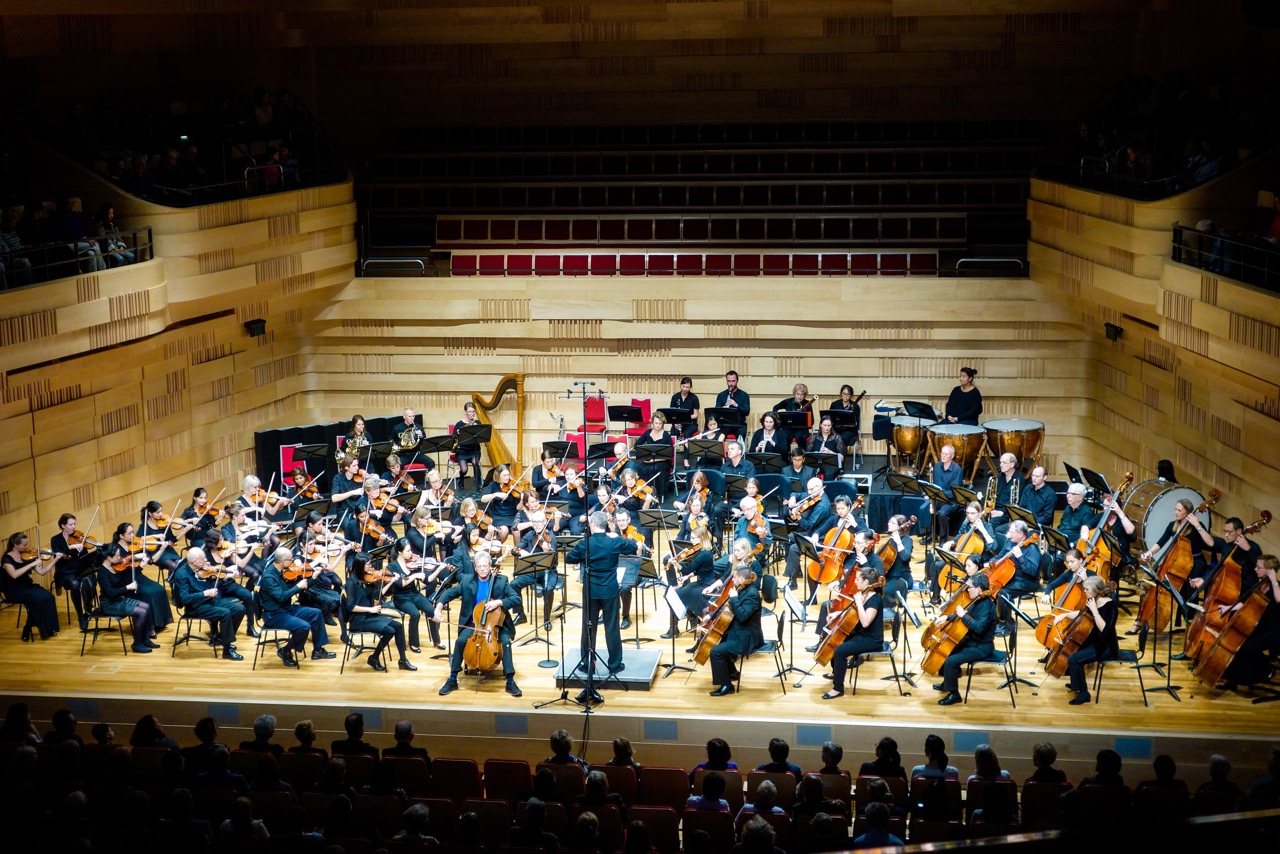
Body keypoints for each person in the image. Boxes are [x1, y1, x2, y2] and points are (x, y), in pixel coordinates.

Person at [435, 549, 522, 697]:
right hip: (474, 623)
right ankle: (452, 679)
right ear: (475, 567)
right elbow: (449, 593)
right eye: (479, 566)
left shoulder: (501, 581)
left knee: (505, 642)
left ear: (490, 566)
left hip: (496, 625)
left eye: (485, 566)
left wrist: (499, 602)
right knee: (461, 641)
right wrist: (438, 607)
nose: (482, 569)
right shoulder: (467, 580)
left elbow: (516, 599)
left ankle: (510, 680)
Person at [566, 511, 640, 686]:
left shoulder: (585, 544)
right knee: (612, 627)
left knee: (588, 627)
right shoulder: (614, 542)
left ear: (591, 524)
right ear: (605, 525)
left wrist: (584, 560)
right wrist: (615, 536)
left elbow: (569, 559)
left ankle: (587, 664)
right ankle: (614, 664)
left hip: (590, 591)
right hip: (610, 590)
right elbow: (634, 547)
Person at [258, 546, 335, 667]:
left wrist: (312, 577)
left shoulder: (283, 572)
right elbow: (281, 597)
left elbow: (297, 589)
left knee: (316, 613)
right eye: (291, 559)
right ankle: (285, 651)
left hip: (287, 609)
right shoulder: (269, 578)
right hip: (274, 614)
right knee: (303, 627)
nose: (293, 561)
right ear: (283, 562)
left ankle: (318, 650)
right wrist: (297, 587)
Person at [1215, 554, 1280, 689]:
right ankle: (1230, 680)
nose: (1255, 569)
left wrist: (1274, 580)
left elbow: (1279, 600)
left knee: (1247, 648)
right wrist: (1229, 608)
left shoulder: (1277, 588)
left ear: (1269, 571)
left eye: (1259, 567)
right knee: (1235, 642)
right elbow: (1246, 603)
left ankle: (1267, 668)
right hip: (1257, 625)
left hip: (1273, 630)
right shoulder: (1259, 585)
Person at [931, 572, 997, 705]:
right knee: (946, 649)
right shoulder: (975, 600)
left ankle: (954, 694)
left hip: (982, 646)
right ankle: (947, 684)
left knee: (951, 661)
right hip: (972, 641)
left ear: (979, 589)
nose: (967, 589)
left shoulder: (987, 606)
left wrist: (963, 616)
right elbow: (963, 614)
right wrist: (947, 617)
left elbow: (979, 627)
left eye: (970, 587)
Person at [820, 566, 884, 700]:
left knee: (840, 651)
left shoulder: (875, 600)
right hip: (861, 632)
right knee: (835, 637)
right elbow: (853, 611)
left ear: (866, 582)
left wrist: (859, 603)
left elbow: (866, 622)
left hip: (871, 639)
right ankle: (835, 670)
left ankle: (838, 689)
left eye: (857, 579)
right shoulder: (864, 593)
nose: (855, 581)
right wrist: (837, 614)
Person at [172, 547, 247, 660]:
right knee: (225, 613)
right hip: (196, 607)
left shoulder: (203, 569)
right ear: (194, 561)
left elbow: (212, 581)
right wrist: (205, 593)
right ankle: (227, 651)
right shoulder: (182, 575)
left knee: (240, 609)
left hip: (210, 601)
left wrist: (226, 576)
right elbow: (185, 599)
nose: (206, 560)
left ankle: (221, 638)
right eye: (203, 559)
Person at [345, 552, 414, 672]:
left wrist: (391, 581)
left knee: (398, 626)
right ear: (360, 566)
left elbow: (378, 594)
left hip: (371, 615)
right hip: (359, 619)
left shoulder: (368, 579)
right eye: (367, 564)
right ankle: (374, 657)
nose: (370, 567)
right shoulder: (351, 583)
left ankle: (403, 660)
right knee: (390, 630)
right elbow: (350, 606)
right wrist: (370, 609)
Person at [1057, 576, 1118, 704]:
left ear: (1096, 590)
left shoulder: (1110, 606)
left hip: (1106, 646)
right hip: (1095, 640)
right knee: (1073, 651)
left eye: (1086, 589)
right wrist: (1065, 614)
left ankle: (1084, 693)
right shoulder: (1093, 599)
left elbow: (1105, 629)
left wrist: (1095, 611)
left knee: (1074, 659)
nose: (1084, 591)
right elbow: (1082, 613)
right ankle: (1076, 683)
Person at [706, 563, 763, 697]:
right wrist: (710, 616)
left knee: (715, 652)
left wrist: (735, 599)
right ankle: (732, 673)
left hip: (747, 638)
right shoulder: (741, 589)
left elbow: (743, 616)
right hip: (740, 631)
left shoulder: (752, 595)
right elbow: (727, 607)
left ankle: (727, 685)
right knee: (720, 643)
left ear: (741, 580)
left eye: (735, 578)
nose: (732, 580)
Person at [103, 521, 172, 629]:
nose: (133, 536)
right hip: (127, 580)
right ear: (121, 535)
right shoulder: (116, 550)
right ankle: (149, 626)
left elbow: (152, 560)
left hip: (138, 576)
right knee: (148, 593)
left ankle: (160, 622)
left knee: (160, 589)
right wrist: (135, 560)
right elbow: (119, 570)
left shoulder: (134, 545)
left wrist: (162, 549)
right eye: (129, 533)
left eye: (133, 532)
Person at [2, 531, 61, 641]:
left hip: (28, 586)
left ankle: (48, 629)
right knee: (37, 601)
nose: (27, 546)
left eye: (27, 544)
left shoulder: (28, 555)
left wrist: (56, 559)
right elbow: (14, 575)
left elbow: (42, 571)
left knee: (49, 597)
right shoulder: (7, 559)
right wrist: (32, 564)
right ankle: (28, 629)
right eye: (24, 545)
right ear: (15, 545)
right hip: (14, 590)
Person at [662, 526, 717, 639]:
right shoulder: (704, 550)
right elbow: (701, 569)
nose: (691, 540)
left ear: (701, 538)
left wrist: (676, 563)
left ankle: (675, 628)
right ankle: (689, 619)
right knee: (675, 594)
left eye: (693, 538)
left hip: (705, 586)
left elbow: (687, 568)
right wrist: (688, 576)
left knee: (675, 595)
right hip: (702, 581)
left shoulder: (703, 554)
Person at [783, 477, 835, 590]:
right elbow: (798, 494)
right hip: (811, 533)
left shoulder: (822, 506)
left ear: (819, 488)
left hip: (819, 537)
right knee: (786, 539)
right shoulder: (813, 495)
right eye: (808, 489)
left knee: (793, 548)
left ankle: (792, 581)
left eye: (811, 490)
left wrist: (798, 517)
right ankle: (797, 571)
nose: (809, 493)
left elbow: (808, 525)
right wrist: (793, 497)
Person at [992, 520, 1041, 635]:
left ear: (1021, 534)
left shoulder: (1032, 549)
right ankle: (996, 619)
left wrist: (1020, 556)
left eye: (1012, 532)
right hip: (1011, 576)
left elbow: (1032, 571)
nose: (1009, 534)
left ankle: (1008, 625)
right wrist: (990, 564)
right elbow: (1000, 556)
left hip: (1026, 580)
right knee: (991, 587)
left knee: (1003, 592)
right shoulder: (1010, 542)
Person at [880, 513, 915, 644]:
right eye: (889, 522)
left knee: (882, 591)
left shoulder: (907, 539)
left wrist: (899, 542)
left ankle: (879, 616)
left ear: (900, 526)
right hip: (890, 576)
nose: (888, 524)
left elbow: (905, 557)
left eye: (892, 523)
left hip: (902, 578)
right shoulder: (891, 539)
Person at [929, 443, 965, 540]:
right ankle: (931, 535)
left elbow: (954, 492)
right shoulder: (937, 467)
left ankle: (943, 537)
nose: (943, 456)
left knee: (942, 513)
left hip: (951, 501)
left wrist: (939, 493)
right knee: (926, 507)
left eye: (946, 454)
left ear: (952, 456)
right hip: (938, 498)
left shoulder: (957, 470)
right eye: (942, 454)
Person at [988, 453, 1027, 524]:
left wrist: (1002, 511)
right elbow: (993, 495)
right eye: (1000, 462)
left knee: (993, 522)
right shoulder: (999, 477)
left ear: (1012, 465)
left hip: (1008, 512)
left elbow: (1017, 502)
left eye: (1004, 463)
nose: (1001, 465)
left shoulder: (1020, 479)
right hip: (995, 508)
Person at [454, 401, 483, 490]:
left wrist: (476, 428)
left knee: (475, 463)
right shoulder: (459, 424)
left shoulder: (477, 423)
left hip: (474, 450)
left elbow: (482, 436)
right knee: (464, 470)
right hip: (462, 451)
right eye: (469, 411)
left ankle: (478, 485)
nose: (472, 414)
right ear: (465, 412)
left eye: (473, 411)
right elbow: (454, 438)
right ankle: (461, 478)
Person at [670, 376, 701, 440]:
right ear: (680, 385)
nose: (685, 389)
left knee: (687, 433)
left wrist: (684, 418)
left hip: (691, 424)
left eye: (687, 387)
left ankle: (687, 449)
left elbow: (695, 415)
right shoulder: (675, 397)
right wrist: (675, 423)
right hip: (678, 423)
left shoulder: (694, 398)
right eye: (683, 386)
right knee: (673, 432)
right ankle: (673, 449)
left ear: (690, 387)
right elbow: (672, 412)